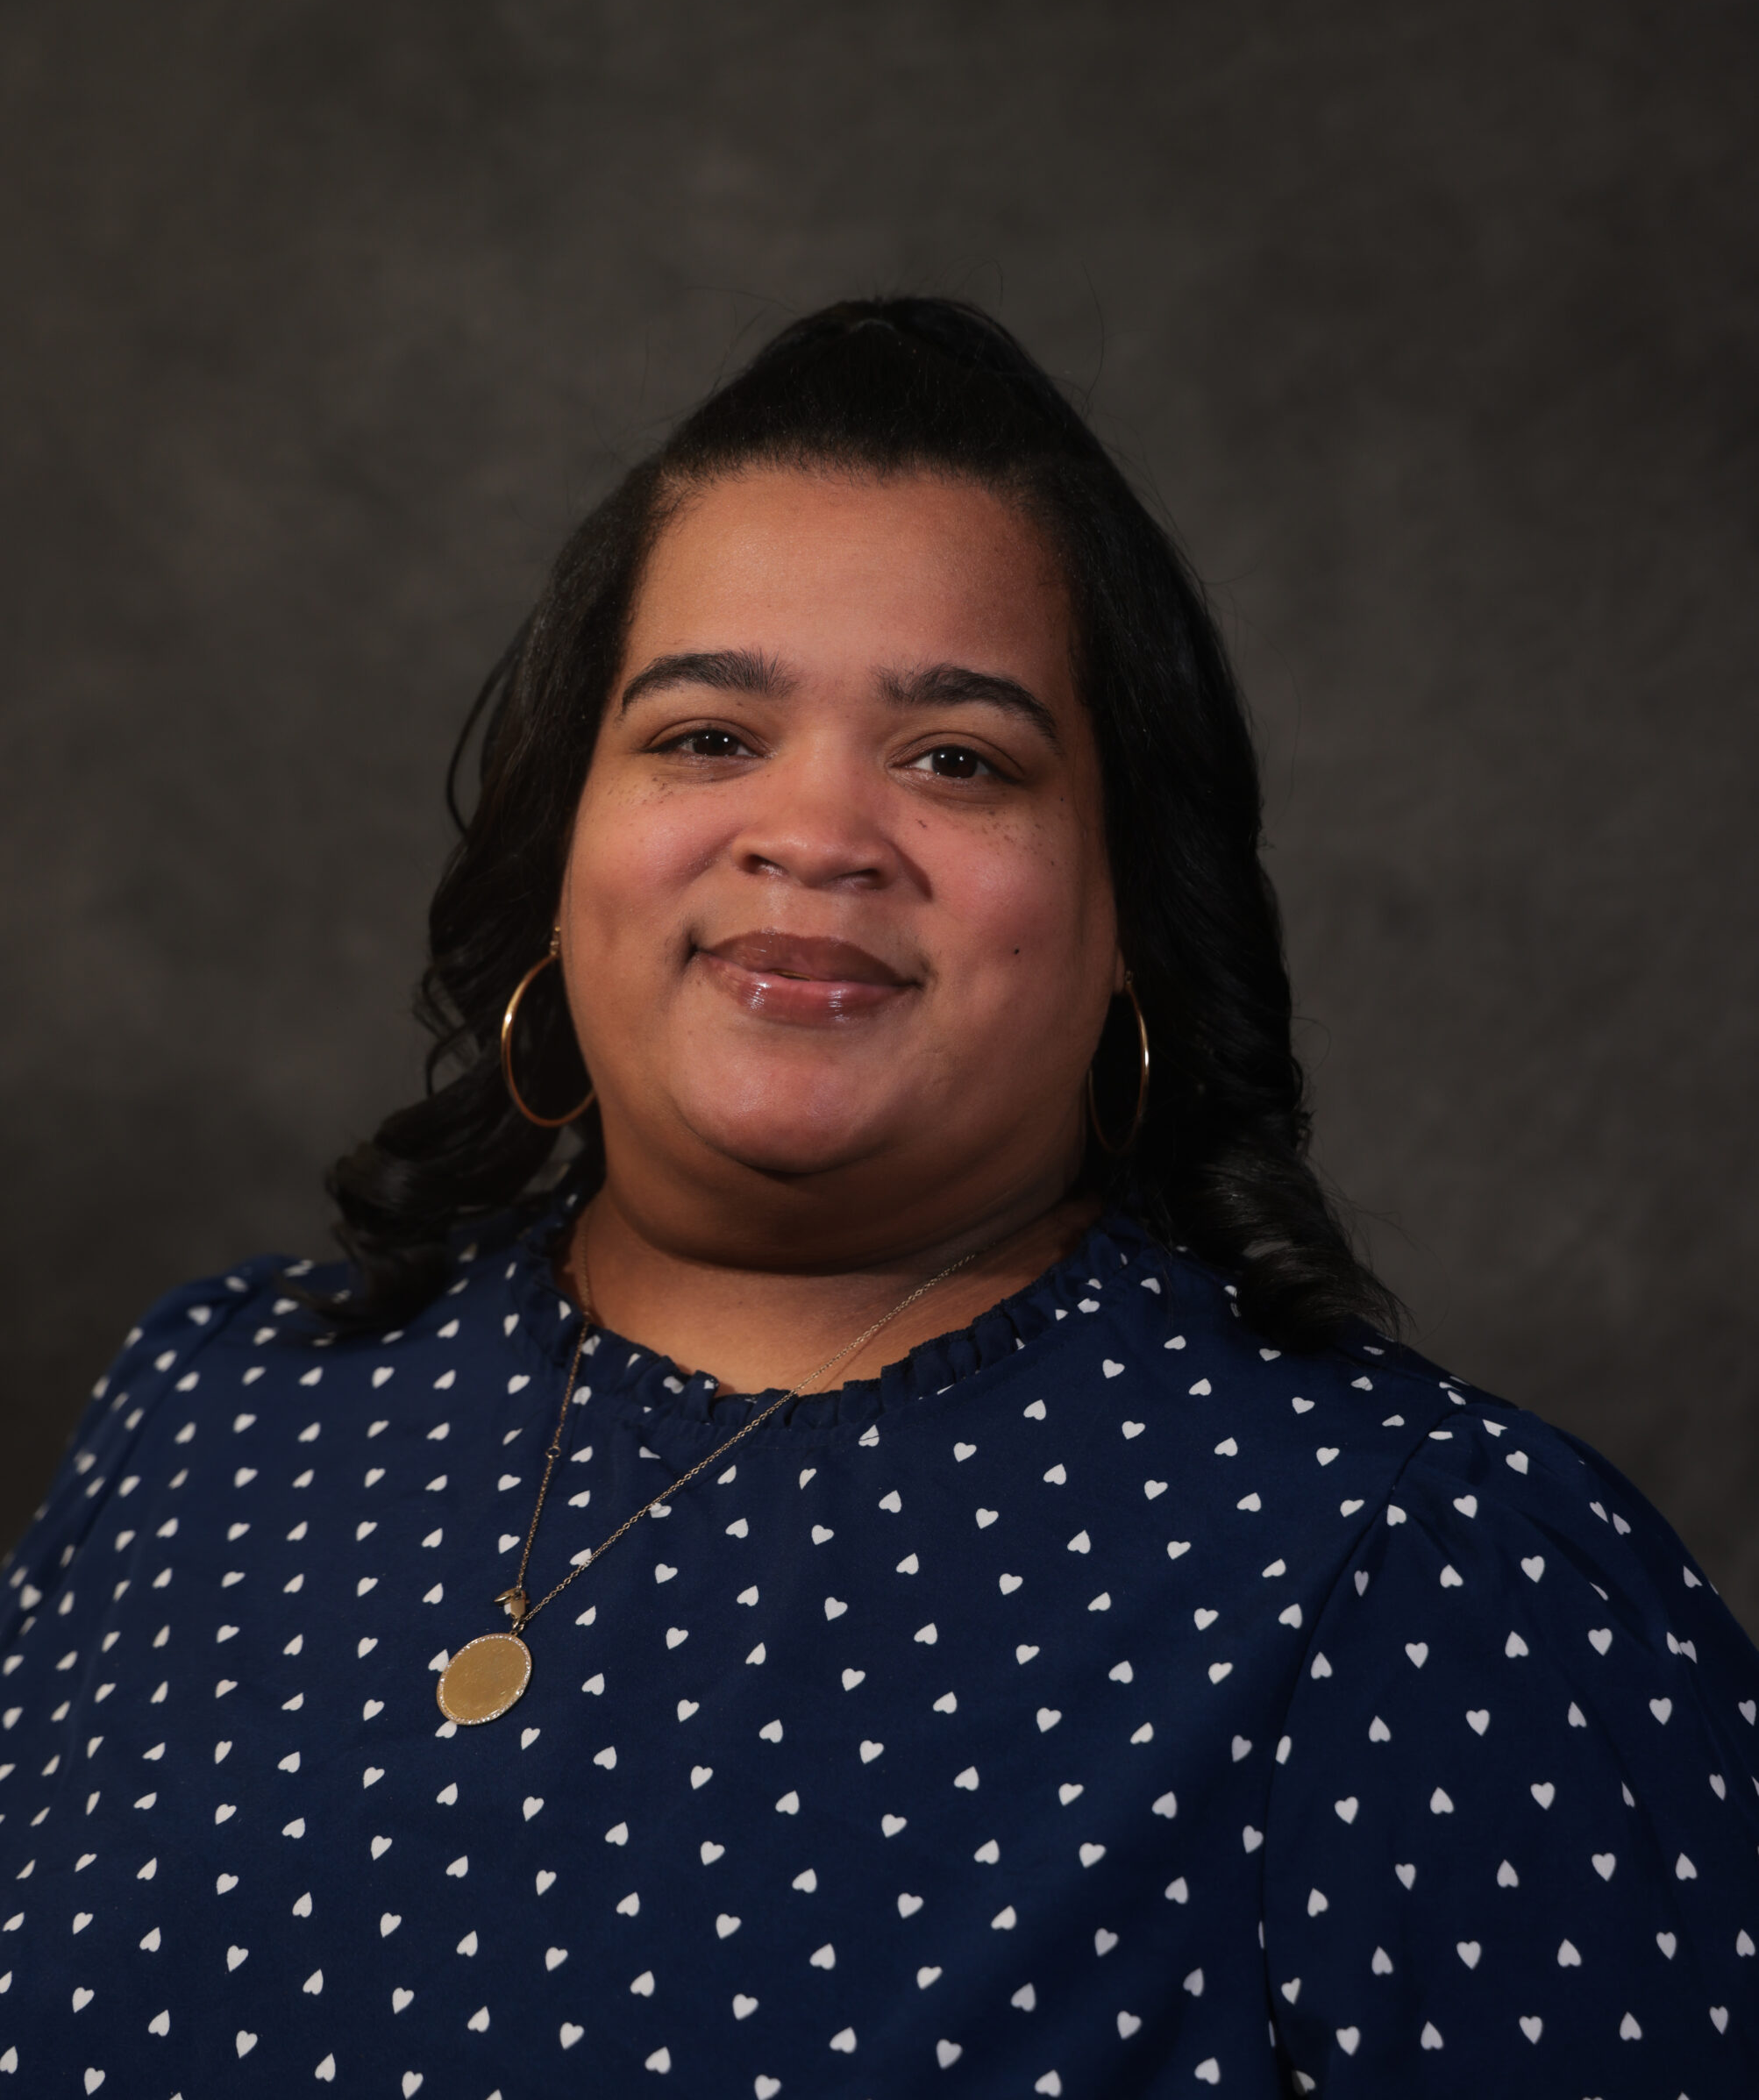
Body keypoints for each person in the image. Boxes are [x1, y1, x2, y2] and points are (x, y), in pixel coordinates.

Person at [3, 300, 1755, 2099]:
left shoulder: (1420, 1570)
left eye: (958, 758)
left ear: (1132, 915)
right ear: (560, 850)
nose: (818, 827)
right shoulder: (217, 1413)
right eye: (703, 734)